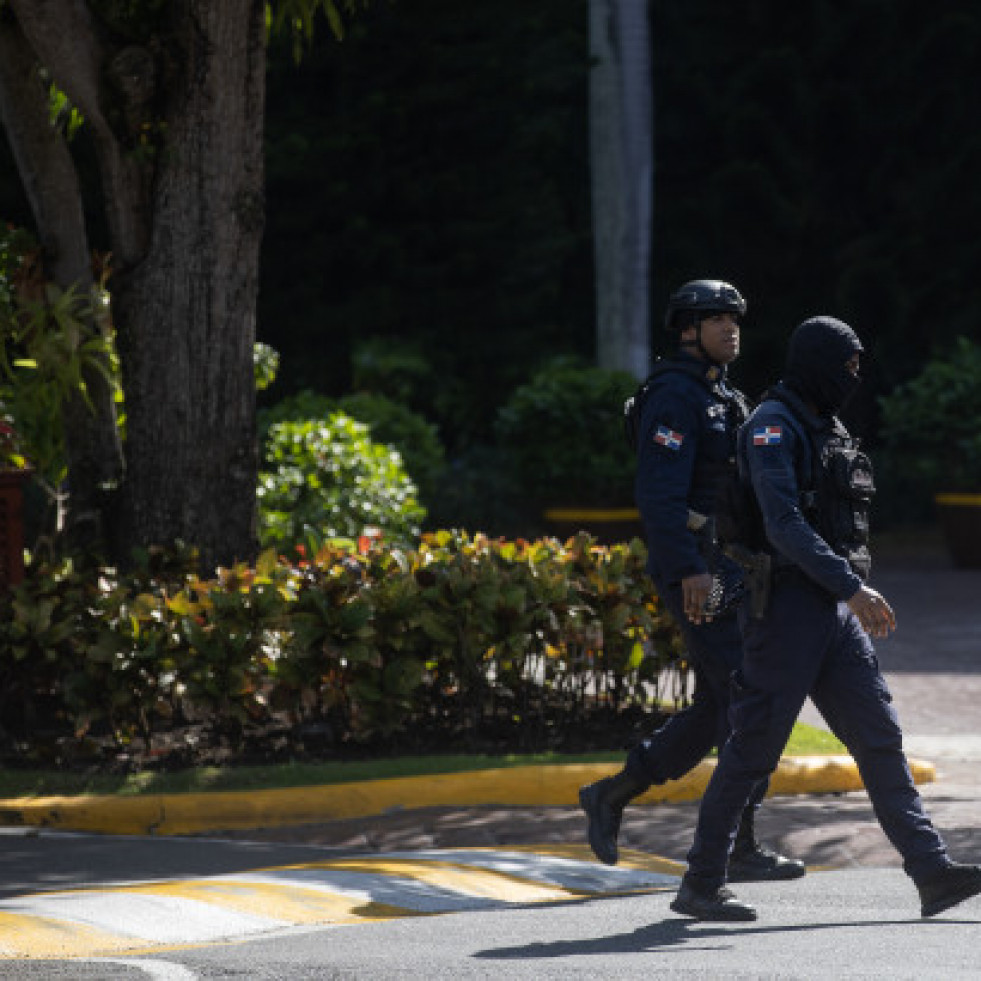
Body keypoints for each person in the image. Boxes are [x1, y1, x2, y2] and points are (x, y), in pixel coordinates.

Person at [671, 315, 981, 921]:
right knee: (752, 750)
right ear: (816, 362)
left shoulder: (823, 424)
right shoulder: (770, 427)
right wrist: (853, 587)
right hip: (785, 611)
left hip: (827, 612)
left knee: (879, 737)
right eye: (847, 364)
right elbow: (784, 524)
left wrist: (844, 593)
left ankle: (931, 872)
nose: (855, 376)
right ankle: (701, 881)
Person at [579, 279, 805, 883]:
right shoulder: (674, 397)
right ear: (688, 329)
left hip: (728, 568)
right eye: (717, 318)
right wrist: (689, 571)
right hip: (699, 572)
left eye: (736, 318)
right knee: (748, 695)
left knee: (719, 703)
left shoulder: (720, 395)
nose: (732, 327)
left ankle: (613, 793)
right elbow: (658, 496)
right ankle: (738, 846)